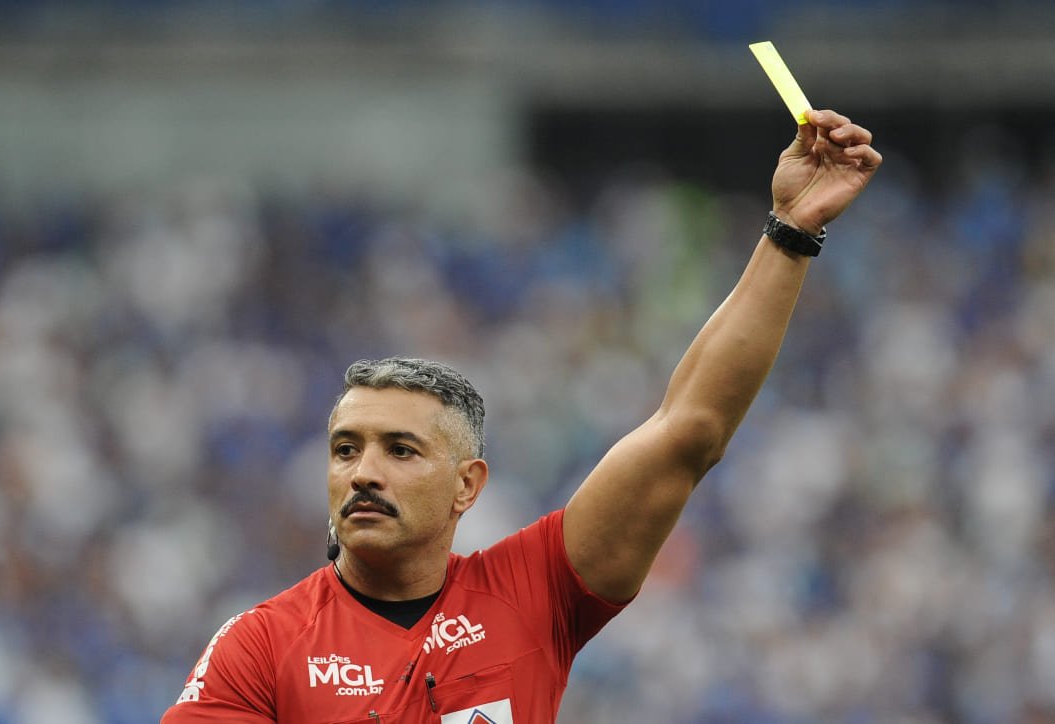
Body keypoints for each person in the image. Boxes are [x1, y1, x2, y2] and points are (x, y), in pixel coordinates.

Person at [160, 108, 881, 723]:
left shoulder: (532, 594)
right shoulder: (261, 646)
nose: (363, 473)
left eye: (400, 450)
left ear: (467, 486)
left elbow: (688, 431)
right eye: (345, 449)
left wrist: (789, 231)